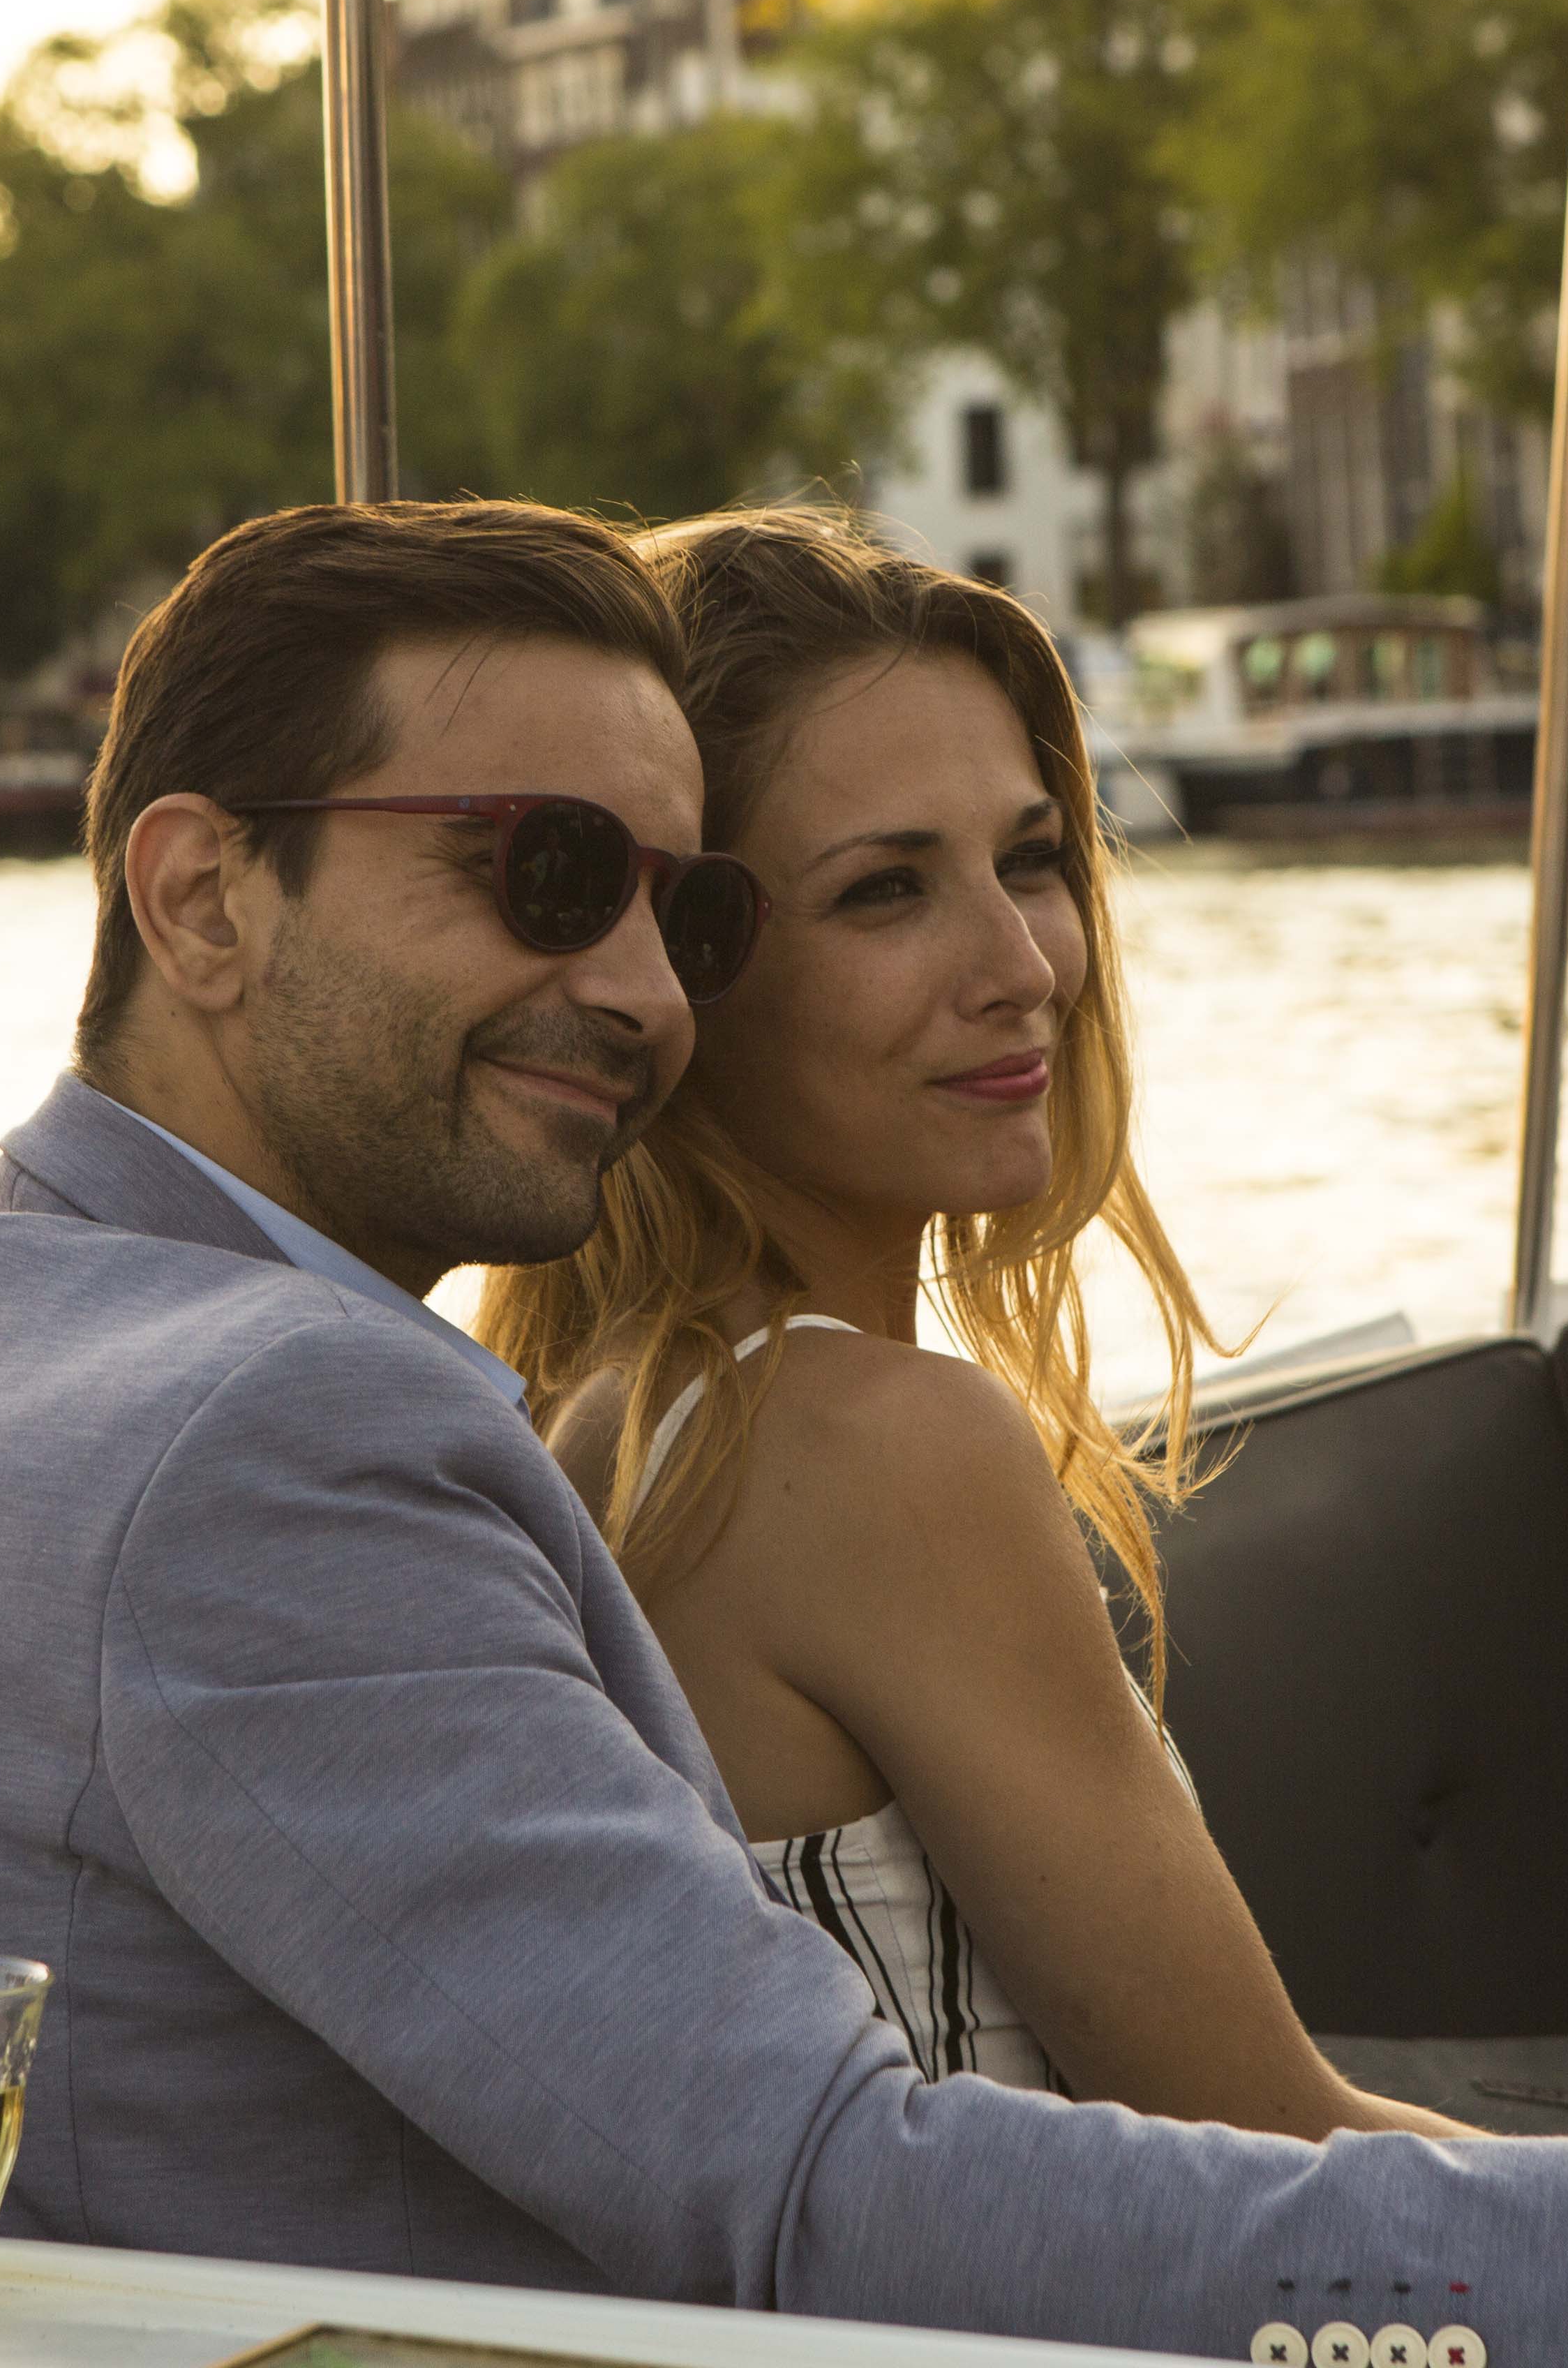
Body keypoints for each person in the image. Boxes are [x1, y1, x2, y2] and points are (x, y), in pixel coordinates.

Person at [0, 496, 1568, 2368]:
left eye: (671, 905)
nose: (633, 986)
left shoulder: (12, 1313)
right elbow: (810, 2197)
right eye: (543, 869)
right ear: (201, 898)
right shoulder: (282, 1425)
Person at [479, 507, 1439, 2137]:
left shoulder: (599, 1407)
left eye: (1034, 860)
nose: (1021, 966)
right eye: (884, 894)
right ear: (680, 969)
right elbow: (1275, 2157)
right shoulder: (862, 1444)